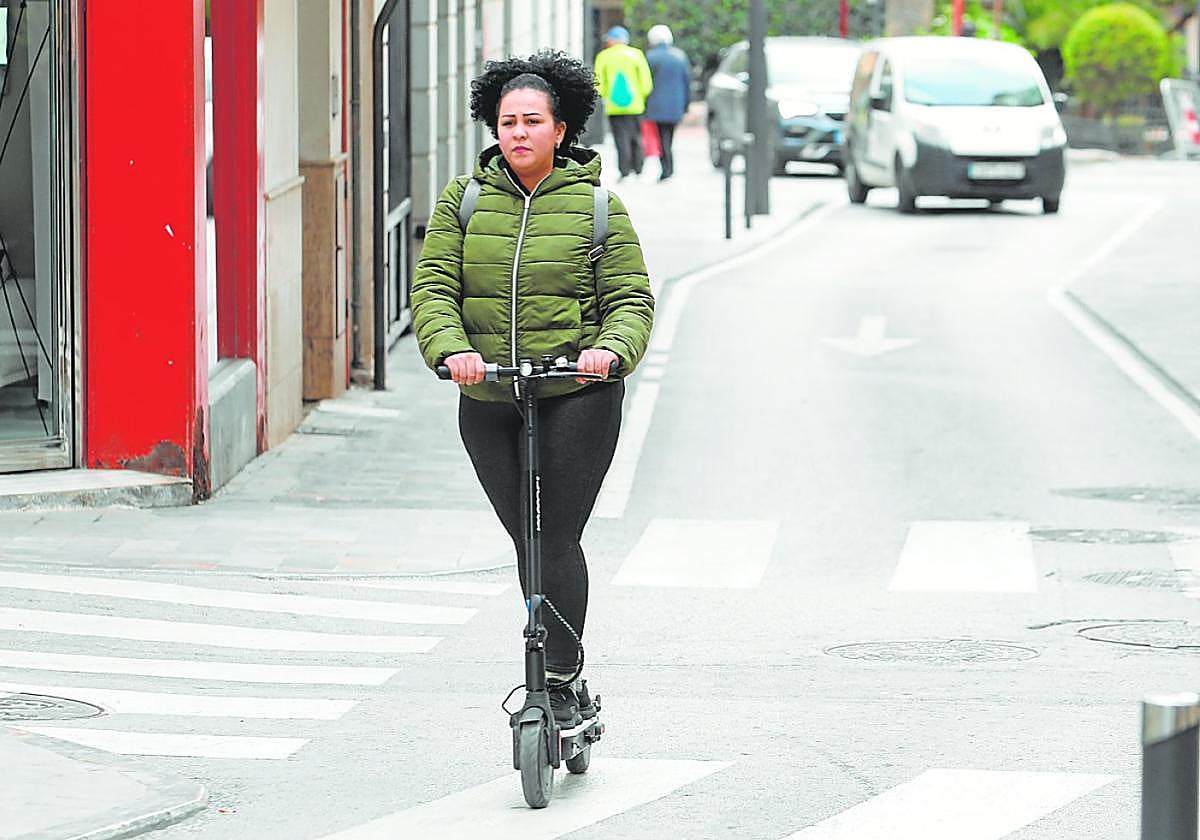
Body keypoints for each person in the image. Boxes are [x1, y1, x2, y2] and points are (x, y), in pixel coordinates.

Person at [410, 51, 655, 727]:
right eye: (507, 121)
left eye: (532, 121)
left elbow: (631, 298)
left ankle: (559, 679)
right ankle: (557, 679)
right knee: (526, 537)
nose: (517, 132)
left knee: (553, 536)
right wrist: (452, 348)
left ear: (561, 128)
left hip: (575, 393)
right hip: (488, 395)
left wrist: (610, 349)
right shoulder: (462, 202)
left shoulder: (600, 206)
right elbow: (434, 288)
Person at [594, 26, 653, 179]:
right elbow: (646, 83)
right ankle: (638, 168)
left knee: (620, 139)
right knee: (636, 137)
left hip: (614, 107)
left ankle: (624, 171)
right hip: (635, 105)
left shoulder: (603, 56)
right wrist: (641, 95)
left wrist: (606, 96)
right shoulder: (637, 55)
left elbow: (598, 83)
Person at [643, 24, 691, 181]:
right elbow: (687, 82)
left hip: (656, 105)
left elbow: (645, 81)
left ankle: (667, 168)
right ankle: (668, 167)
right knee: (668, 137)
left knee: (663, 137)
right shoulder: (680, 56)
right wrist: (686, 105)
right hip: (676, 104)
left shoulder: (650, 57)